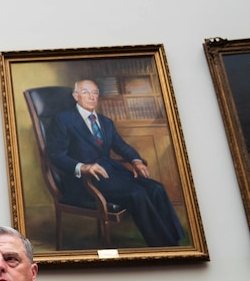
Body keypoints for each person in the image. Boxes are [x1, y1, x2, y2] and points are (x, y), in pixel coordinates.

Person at [47, 79, 184, 247]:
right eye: (85, 92)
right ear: (76, 96)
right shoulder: (63, 120)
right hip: (84, 181)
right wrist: (83, 167)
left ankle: (175, 241)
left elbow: (121, 146)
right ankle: (162, 245)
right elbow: (55, 155)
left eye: (95, 92)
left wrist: (136, 161)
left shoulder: (105, 122)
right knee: (137, 193)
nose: (91, 97)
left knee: (156, 188)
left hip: (112, 172)